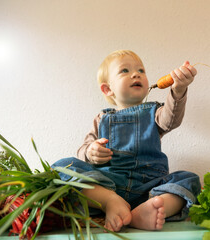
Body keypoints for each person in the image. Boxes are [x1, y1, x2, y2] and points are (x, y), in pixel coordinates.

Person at [51, 50, 201, 232]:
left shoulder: (155, 113)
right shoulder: (101, 119)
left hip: (151, 186)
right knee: (61, 167)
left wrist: (178, 89)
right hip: (109, 183)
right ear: (108, 89)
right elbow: (83, 150)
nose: (136, 74)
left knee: (189, 180)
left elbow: (171, 119)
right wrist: (91, 152)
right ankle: (109, 202)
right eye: (124, 71)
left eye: (141, 70)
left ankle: (149, 209)